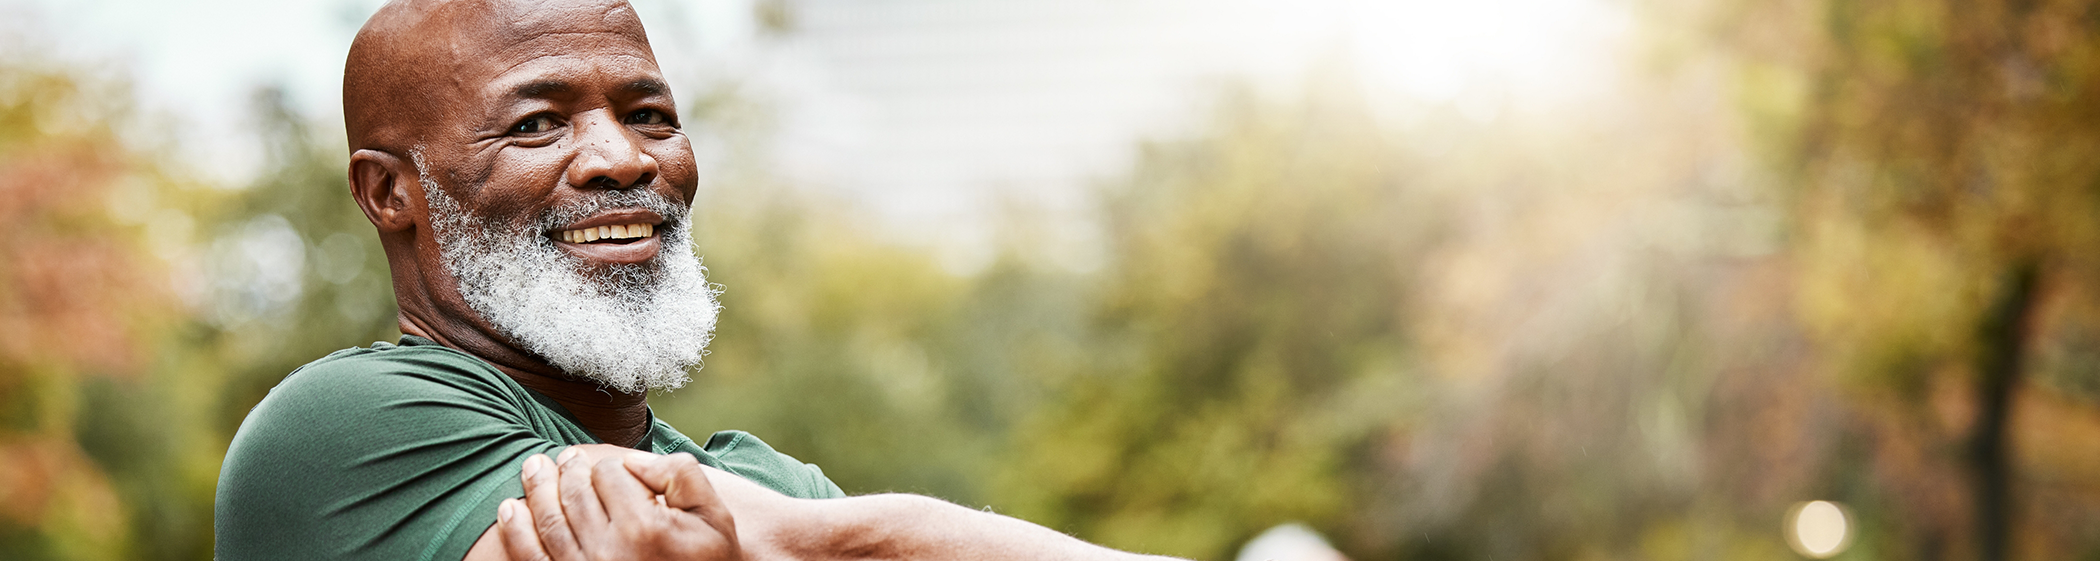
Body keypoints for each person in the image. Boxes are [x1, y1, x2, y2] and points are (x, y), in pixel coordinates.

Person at [211, 0, 1183, 559]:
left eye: (650, 114)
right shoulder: (343, 431)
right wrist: (857, 541)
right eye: (537, 124)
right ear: (391, 193)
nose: (621, 159)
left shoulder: (770, 481)